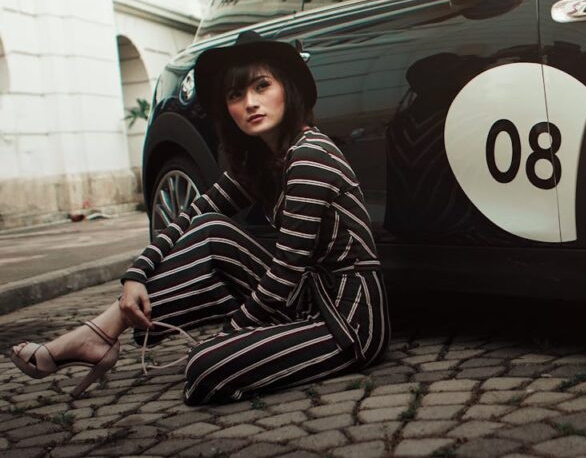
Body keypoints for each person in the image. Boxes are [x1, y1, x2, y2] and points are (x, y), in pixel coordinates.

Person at [9, 31, 391, 404]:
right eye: (235, 94)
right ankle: (100, 332)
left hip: (348, 320)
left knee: (203, 369)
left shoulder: (310, 155)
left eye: (261, 86)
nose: (250, 103)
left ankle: (108, 339)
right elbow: (192, 218)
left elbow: (287, 268)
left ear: (287, 90)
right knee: (211, 230)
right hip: (306, 300)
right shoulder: (264, 163)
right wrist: (135, 275)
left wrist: (231, 334)